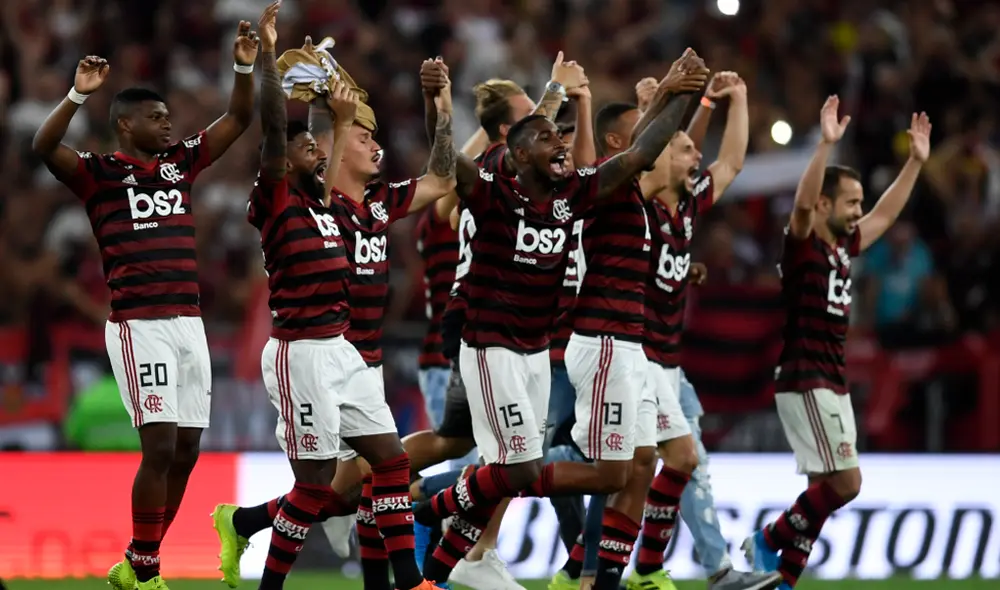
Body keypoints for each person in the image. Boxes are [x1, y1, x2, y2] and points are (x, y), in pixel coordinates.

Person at [413, 48, 710, 588]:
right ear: (517, 154)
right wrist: (436, 103)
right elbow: (445, 164)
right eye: (548, 139)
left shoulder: (574, 196)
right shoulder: (491, 192)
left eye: (562, 138)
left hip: (534, 348)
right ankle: (428, 505)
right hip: (489, 344)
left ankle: (431, 571)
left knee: (520, 473)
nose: (562, 146)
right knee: (514, 470)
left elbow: (643, 151)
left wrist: (682, 93)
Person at [213, 13, 458, 587]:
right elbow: (279, 136)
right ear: (330, 150)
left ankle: (404, 579)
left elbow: (442, 179)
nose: (377, 147)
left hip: (356, 359)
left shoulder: (375, 204)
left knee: (379, 478)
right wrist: (287, 74)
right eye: (364, 140)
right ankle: (255, 540)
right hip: (310, 351)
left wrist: (440, 110)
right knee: (329, 489)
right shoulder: (303, 200)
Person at [32, 10, 258, 590]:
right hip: (140, 325)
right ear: (125, 125)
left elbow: (238, 116)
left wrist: (243, 64)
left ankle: (137, 561)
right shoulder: (100, 173)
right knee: (158, 443)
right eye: (155, 119)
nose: (168, 125)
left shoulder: (180, 163)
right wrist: (78, 97)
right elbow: (44, 144)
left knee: (186, 451)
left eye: (168, 117)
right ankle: (150, 571)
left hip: (189, 324)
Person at [743, 97, 931, 590]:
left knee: (819, 491)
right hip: (807, 376)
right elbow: (803, 203)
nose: (859, 211)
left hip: (831, 377)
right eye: (851, 202)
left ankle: (783, 582)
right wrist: (824, 146)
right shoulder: (804, 244)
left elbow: (886, 216)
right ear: (826, 204)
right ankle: (767, 539)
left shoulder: (844, 246)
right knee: (846, 484)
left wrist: (914, 162)